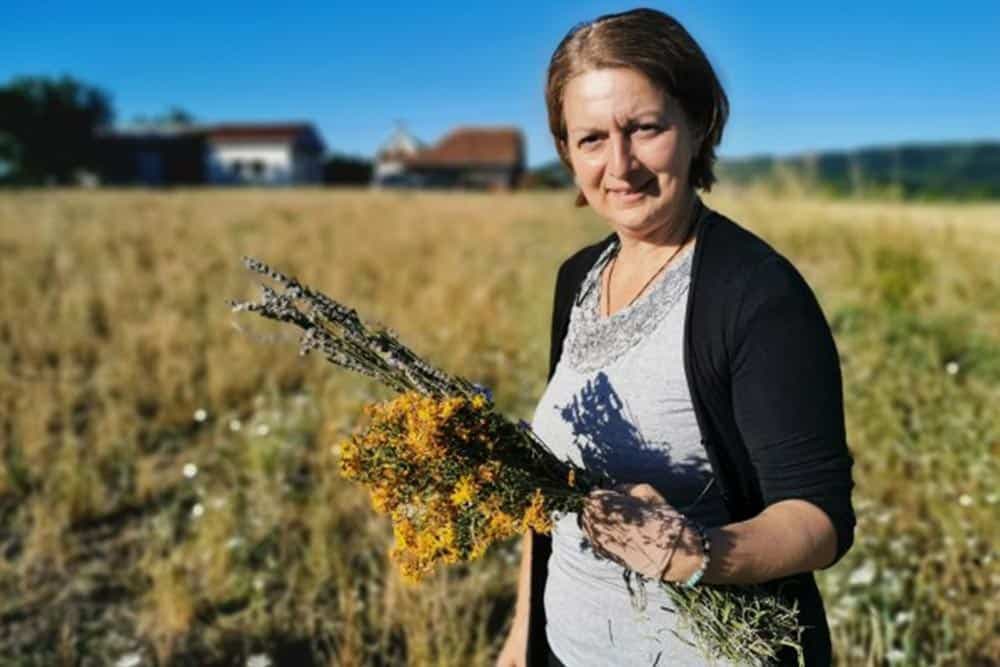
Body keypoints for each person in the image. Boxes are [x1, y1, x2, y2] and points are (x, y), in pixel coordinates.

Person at [496, 8, 856, 667]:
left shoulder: (757, 295)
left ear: (696, 125)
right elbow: (551, 484)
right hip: (566, 648)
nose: (621, 164)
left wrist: (695, 553)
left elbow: (819, 519)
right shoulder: (577, 277)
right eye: (592, 139)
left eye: (645, 129)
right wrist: (522, 636)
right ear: (566, 153)